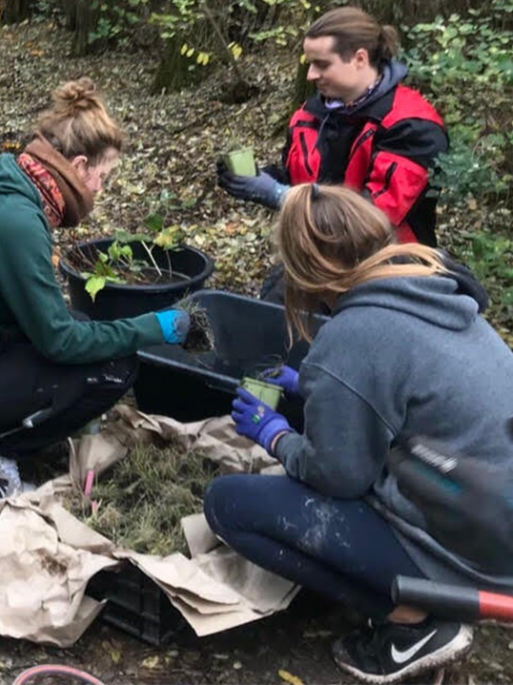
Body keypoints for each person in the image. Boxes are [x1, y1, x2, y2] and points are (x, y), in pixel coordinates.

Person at [204, 183, 513, 684]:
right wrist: (311, 386)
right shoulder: (429, 282)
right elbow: (401, 389)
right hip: (490, 508)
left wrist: (276, 435)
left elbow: (339, 477)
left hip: (480, 558)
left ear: (304, 272)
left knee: (229, 504)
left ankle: (410, 625)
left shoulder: (351, 337)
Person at [0, 78, 191, 505]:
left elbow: (46, 322)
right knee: (113, 367)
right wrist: (154, 326)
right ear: (78, 164)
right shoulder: (16, 220)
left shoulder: (12, 189)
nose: (100, 190)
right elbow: (57, 341)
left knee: (82, 325)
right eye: (102, 177)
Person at [218, 7, 447, 301]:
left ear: (359, 59)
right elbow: (298, 177)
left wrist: (278, 195)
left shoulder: (413, 126)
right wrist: (255, 180)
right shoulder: (308, 116)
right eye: (310, 63)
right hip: (315, 259)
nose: (311, 74)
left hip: (389, 267)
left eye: (321, 64)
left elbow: (374, 219)